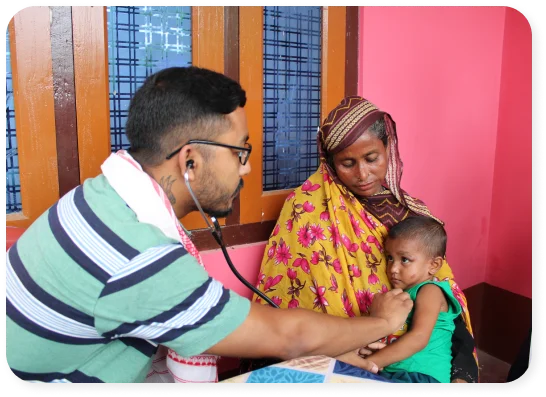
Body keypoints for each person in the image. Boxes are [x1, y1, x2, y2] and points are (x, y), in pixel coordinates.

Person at [5, 67, 414, 384]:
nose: (248, 167)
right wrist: (382, 323)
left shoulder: (98, 197)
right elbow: (288, 337)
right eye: (241, 152)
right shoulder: (139, 253)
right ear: (190, 162)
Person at [251, 95, 479, 383]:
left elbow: (444, 301)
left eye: (372, 159)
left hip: (417, 364)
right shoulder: (307, 211)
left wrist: (462, 373)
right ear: (330, 163)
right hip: (340, 360)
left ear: (388, 148)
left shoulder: (411, 215)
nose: (362, 174)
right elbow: (284, 310)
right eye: (347, 163)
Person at [353, 216, 462, 383]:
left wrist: (368, 364)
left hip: (422, 376)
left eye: (405, 260)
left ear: (433, 265)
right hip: (395, 372)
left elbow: (418, 338)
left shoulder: (430, 290)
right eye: (390, 258)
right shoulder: (400, 294)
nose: (393, 269)